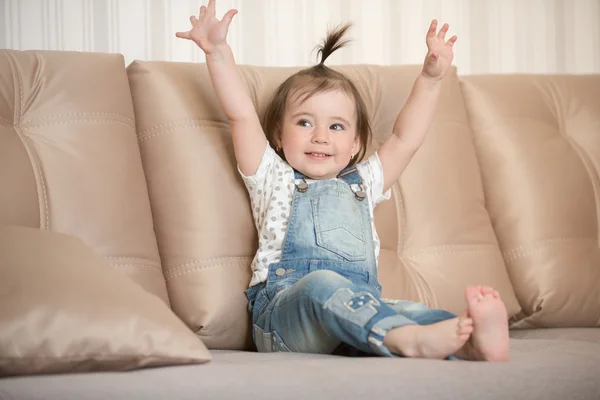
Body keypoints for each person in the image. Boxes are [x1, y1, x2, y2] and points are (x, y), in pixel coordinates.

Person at [176, 0, 510, 361]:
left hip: (354, 318)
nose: (320, 136)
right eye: (304, 122)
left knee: (405, 310)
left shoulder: (365, 183)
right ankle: (405, 341)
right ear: (277, 134)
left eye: (336, 126)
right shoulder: (271, 175)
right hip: (285, 318)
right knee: (323, 285)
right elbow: (240, 114)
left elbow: (406, 139)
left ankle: (471, 341)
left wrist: (430, 78)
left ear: (354, 145)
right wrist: (218, 51)